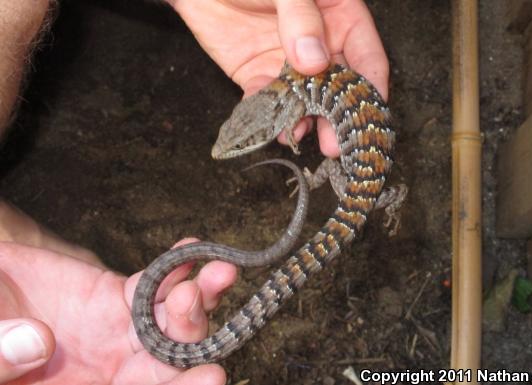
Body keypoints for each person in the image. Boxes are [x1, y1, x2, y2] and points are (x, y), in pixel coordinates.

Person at [0, 0, 390, 384]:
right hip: (353, 167)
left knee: (335, 170)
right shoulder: (294, 83)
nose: (226, 152)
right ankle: (23, 242)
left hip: (351, 168)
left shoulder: (294, 91)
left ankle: (23, 246)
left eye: (242, 146)